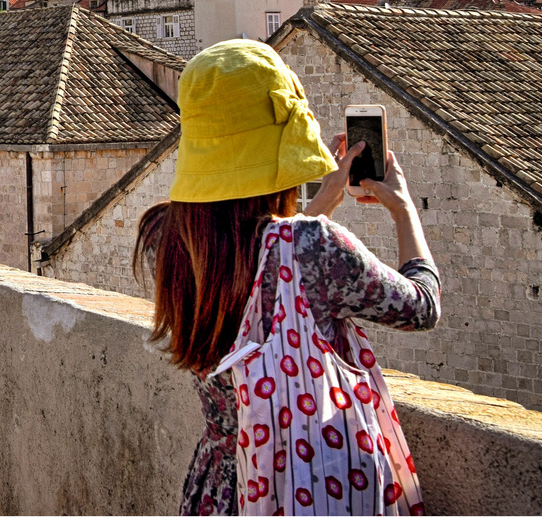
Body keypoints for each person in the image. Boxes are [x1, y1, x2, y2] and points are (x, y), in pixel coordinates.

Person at [132, 40, 439, 516]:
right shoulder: (313, 245)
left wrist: (319, 207)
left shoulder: (163, 237)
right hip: (309, 484)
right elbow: (422, 306)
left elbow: (257, 277)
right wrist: (403, 210)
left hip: (220, 486)